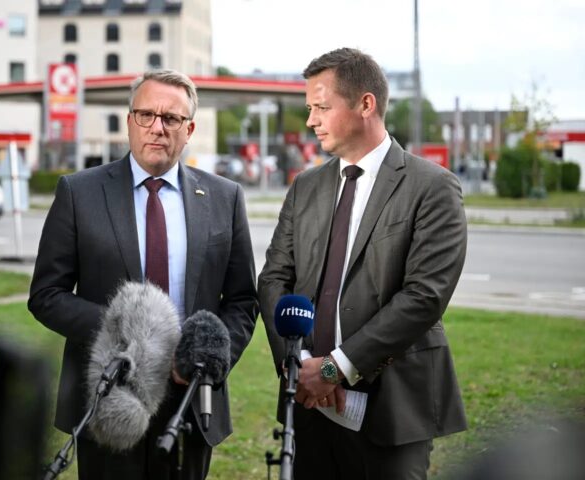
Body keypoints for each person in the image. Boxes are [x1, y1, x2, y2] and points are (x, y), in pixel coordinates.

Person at [29, 69, 258, 480]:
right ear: (130, 121)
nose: (157, 127)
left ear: (189, 130)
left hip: (191, 398)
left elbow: (242, 301)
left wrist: (207, 359)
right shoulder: (79, 193)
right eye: (146, 115)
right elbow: (47, 294)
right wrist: (128, 336)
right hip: (108, 395)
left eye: (171, 118)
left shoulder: (225, 198)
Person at [258, 47, 468, 479]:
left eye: (321, 107)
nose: (311, 121)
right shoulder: (306, 187)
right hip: (309, 408)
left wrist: (334, 368)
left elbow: (424, 296)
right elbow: (274, 279)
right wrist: (300, 367)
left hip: (392, 411)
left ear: (365, 104)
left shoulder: (432, 187)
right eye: (310, 109)